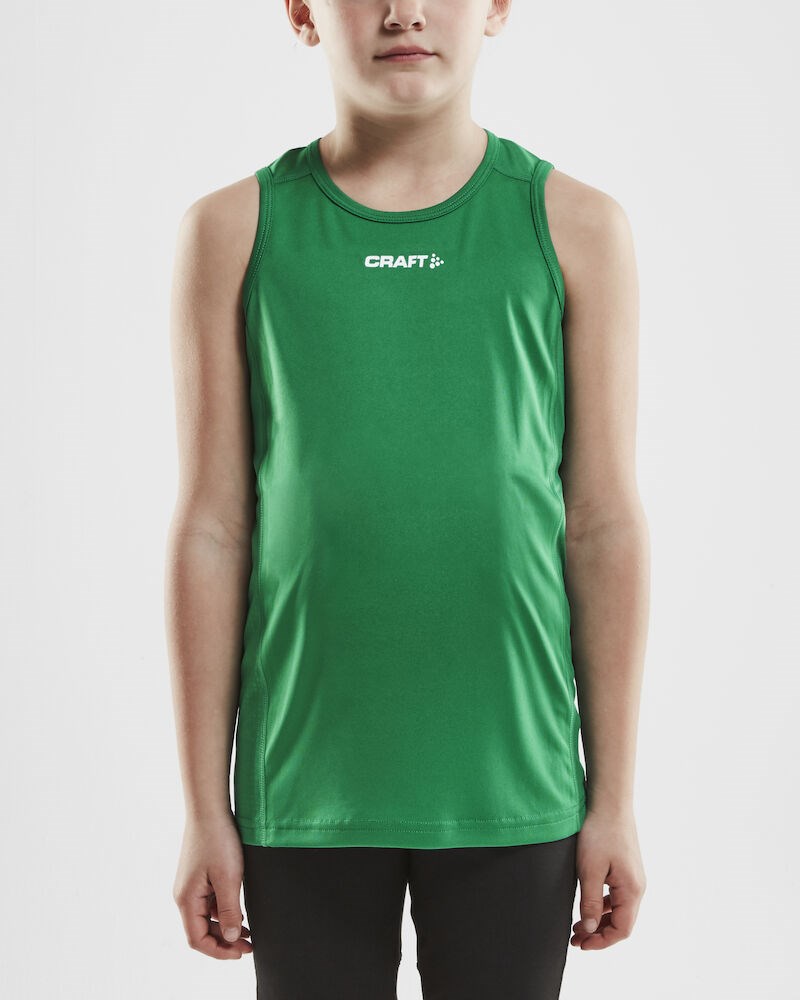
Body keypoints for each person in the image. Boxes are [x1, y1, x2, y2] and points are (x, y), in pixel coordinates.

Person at [165, 1, 649, 996]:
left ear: (497, 7)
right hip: (306, 789)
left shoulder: (574, 228)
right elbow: (213, 527)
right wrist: (203, 808)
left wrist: (614, 800)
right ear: (301, 11)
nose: (404, 12)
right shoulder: (233, 231)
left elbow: (600, 521)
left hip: (514, 783)